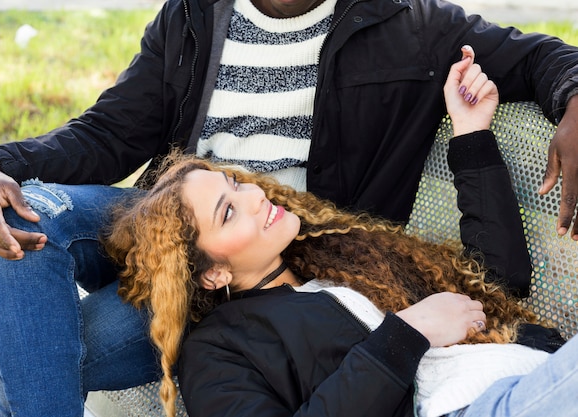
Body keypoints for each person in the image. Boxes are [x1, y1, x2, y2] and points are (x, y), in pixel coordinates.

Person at [0, 0, 578, 413]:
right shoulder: (195, 15)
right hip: (182, 225)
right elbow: (110, 130)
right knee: (28, 216)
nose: (254, 189)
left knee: (40, 346)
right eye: (241, 197)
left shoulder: (406, 22)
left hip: (274, 261)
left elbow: (536, 58)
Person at [102, 53, 569, 417]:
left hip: (533, 374)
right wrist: (407, 334)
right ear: (212, 273)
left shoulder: (336, 256)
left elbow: (498, 282)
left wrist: (470, 134)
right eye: (228, 213)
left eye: (235, 183)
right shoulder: (219, 350)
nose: (254, 197)